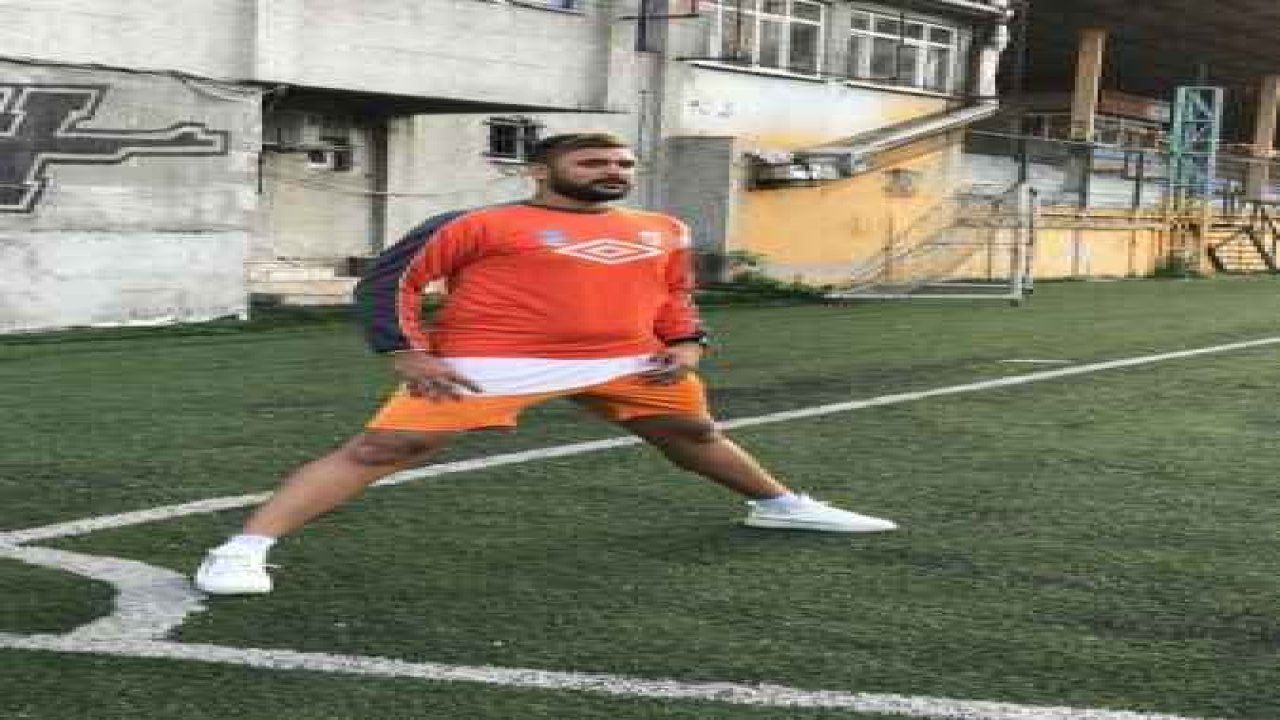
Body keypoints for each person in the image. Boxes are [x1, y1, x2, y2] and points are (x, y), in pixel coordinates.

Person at [194, 132, 896, 596]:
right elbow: (390, 283)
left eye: (622, 165)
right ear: (540, 170)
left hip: (629, 360)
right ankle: (244, 549)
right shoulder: (477, 224)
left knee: (694, 435)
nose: (612, 173)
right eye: (593, 163)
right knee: (382, 448)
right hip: (491, 362)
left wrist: (688, 344)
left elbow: (673, 294)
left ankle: (779, 507)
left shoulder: (662, 228)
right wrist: (407, 352)